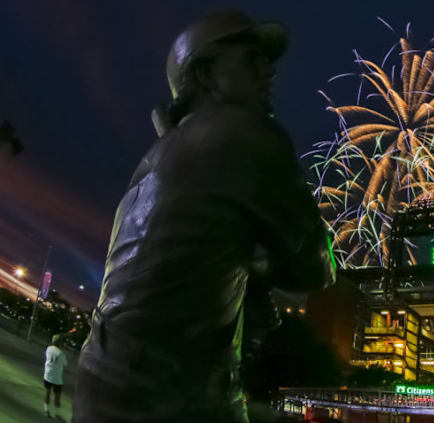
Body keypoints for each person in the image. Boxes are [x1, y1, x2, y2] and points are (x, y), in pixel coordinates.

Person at [73, 10, 333, 423]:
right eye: (251, 61)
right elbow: (316, 270)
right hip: (174, 396)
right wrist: (259, 264)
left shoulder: (153, 160)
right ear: (208, 75)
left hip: (99, 379)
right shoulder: (250, 135)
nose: (268, 73)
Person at [44, 334, 68, 417]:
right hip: (57, 378)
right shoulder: (61, 353)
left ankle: (46, 410)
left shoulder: (48, 348)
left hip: (47, 374)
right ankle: (56, 414)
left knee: (47, 393)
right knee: (57, 396)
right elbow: (65, 363)